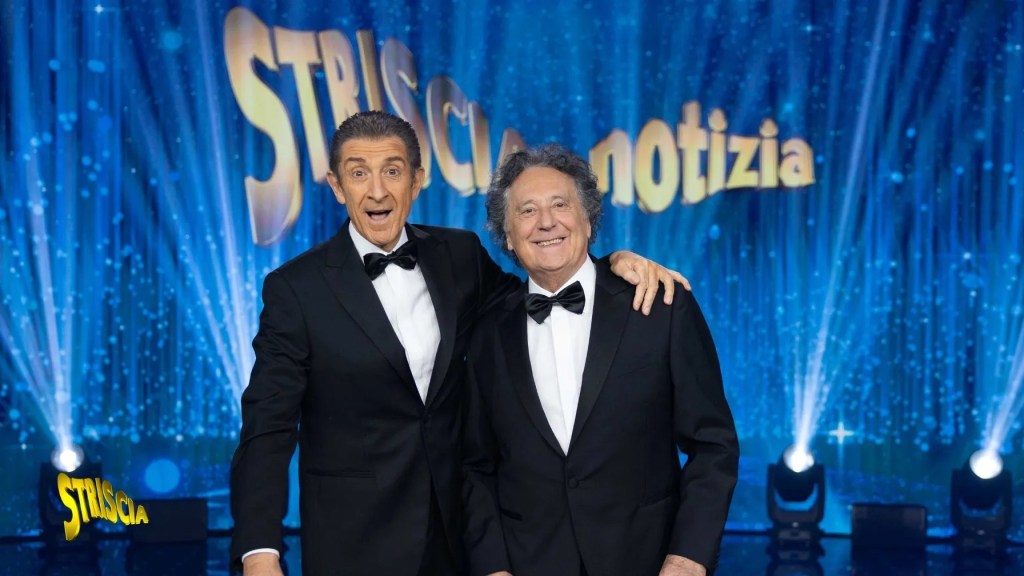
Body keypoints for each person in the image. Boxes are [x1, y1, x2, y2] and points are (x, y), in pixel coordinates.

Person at [230, 111, 689, 576]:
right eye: (359, 173)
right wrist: (260, 551)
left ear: (417, 180)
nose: (377, 191)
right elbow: (268, 427)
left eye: (392, 171)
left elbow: (542, 292)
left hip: (460, 540)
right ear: (336, 185)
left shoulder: (459, 254)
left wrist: (611, 265)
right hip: (354, 542)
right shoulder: (296, 288)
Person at [462, 144, 739, 576]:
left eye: (560, 205)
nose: (546, 222)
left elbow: (713, 445)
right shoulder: (485, 333)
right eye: (527, 211)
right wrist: (492, 567)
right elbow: (473, 466)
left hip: (649, 562)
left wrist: (689, 557)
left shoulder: (661, 306)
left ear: (588, 219)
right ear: (508, 237)